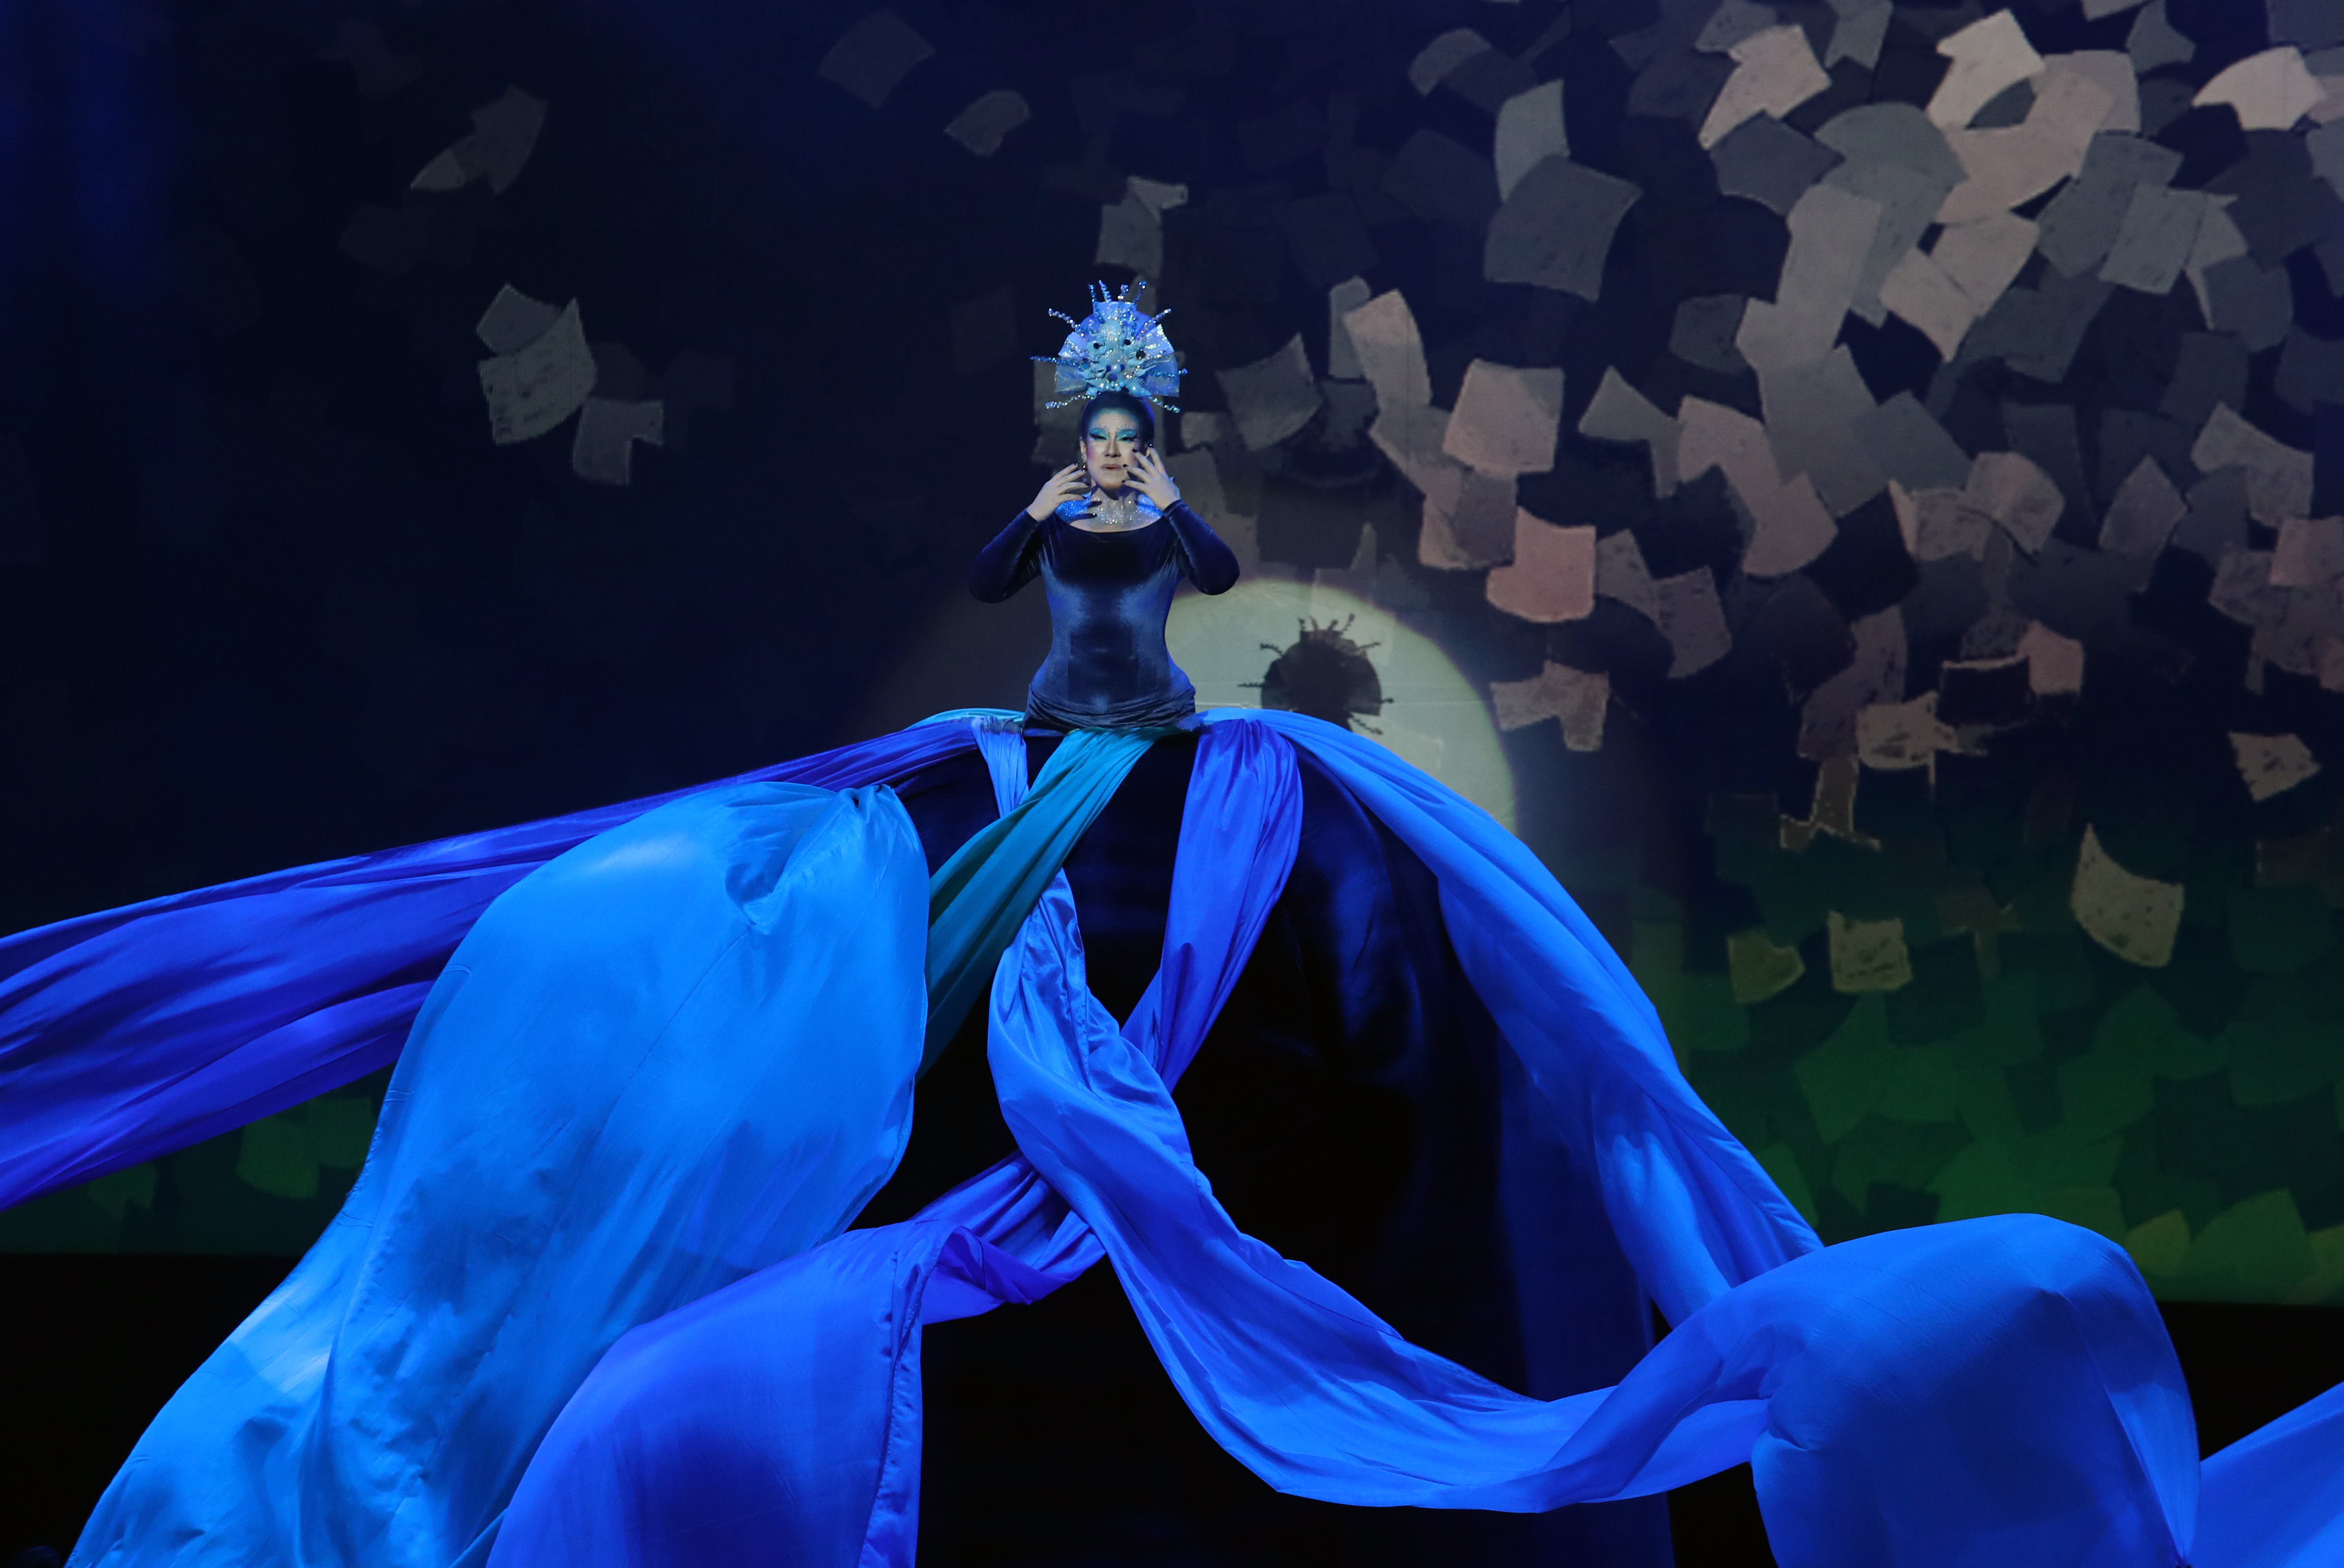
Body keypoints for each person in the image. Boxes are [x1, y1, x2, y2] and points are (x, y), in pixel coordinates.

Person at [3, 284, 2325, 1568]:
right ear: (1072, 423)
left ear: (1152, 424)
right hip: (1064, 729)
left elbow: (1196, 582)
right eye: (1095, 419)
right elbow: (1037, 580)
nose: (1112, 443)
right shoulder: (1056, 520)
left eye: (1130, 421)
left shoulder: (1185, 580)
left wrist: (1171, 551)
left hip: (1152, 725)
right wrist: (1058, 546)